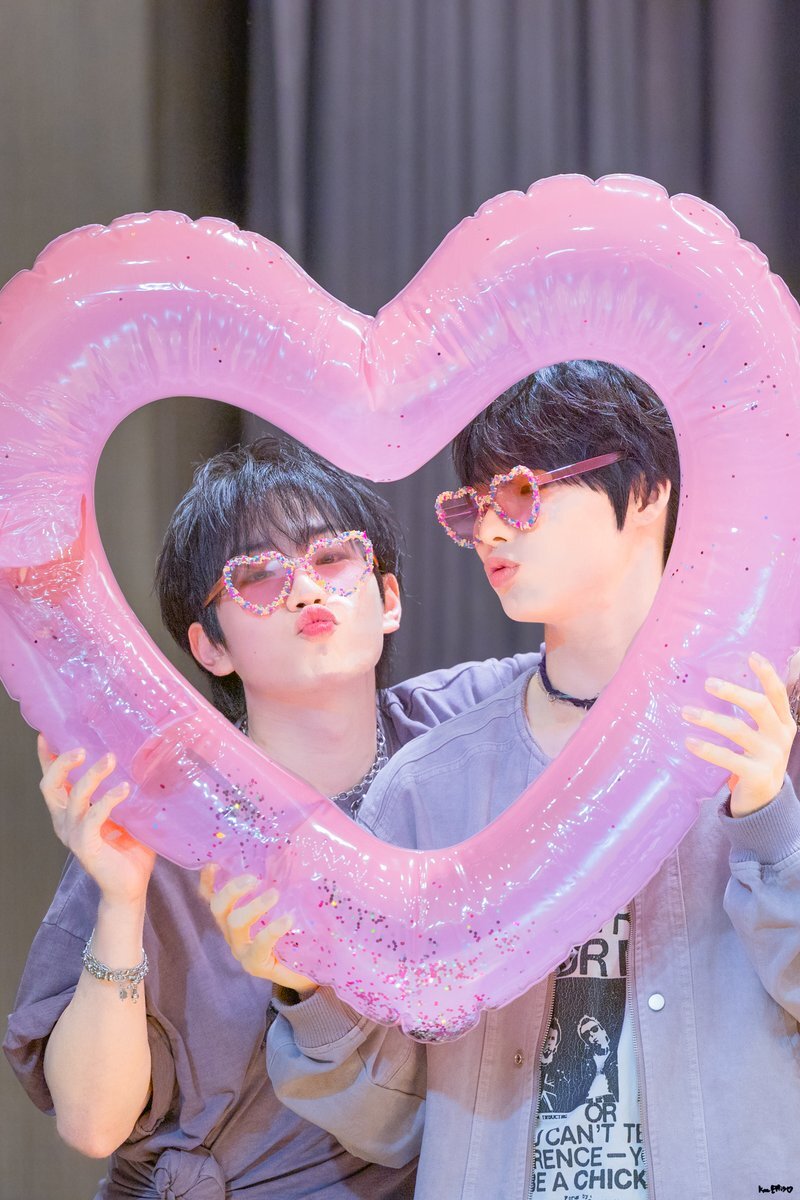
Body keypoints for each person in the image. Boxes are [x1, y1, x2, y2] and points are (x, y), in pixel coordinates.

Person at [263, 361, 800, 1198]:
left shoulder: (765, 732)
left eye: (518, 493)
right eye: (469, 506)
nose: (488, 530)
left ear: (648, 489)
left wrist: (769, 823)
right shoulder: (428, 787)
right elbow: (388, 1123)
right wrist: (305, 984)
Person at [3, 435, 539, 1199]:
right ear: (209, 648)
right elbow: (92, 1126)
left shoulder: (469, 725)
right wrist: (121, 901)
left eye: (333, 559)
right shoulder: (165, 808)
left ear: (387, 600)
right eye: (257, 576)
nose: (305, 589)